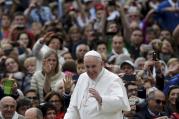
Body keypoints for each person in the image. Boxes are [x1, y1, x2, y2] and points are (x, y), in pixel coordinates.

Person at [64, 50, 130, 119]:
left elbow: (121, 102)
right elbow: (73, 107)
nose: (90, 70)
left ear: (102, 64)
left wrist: (102, 100)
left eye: (93, 66)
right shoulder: (82, 78)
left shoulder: (113, 79)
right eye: (87, 67)